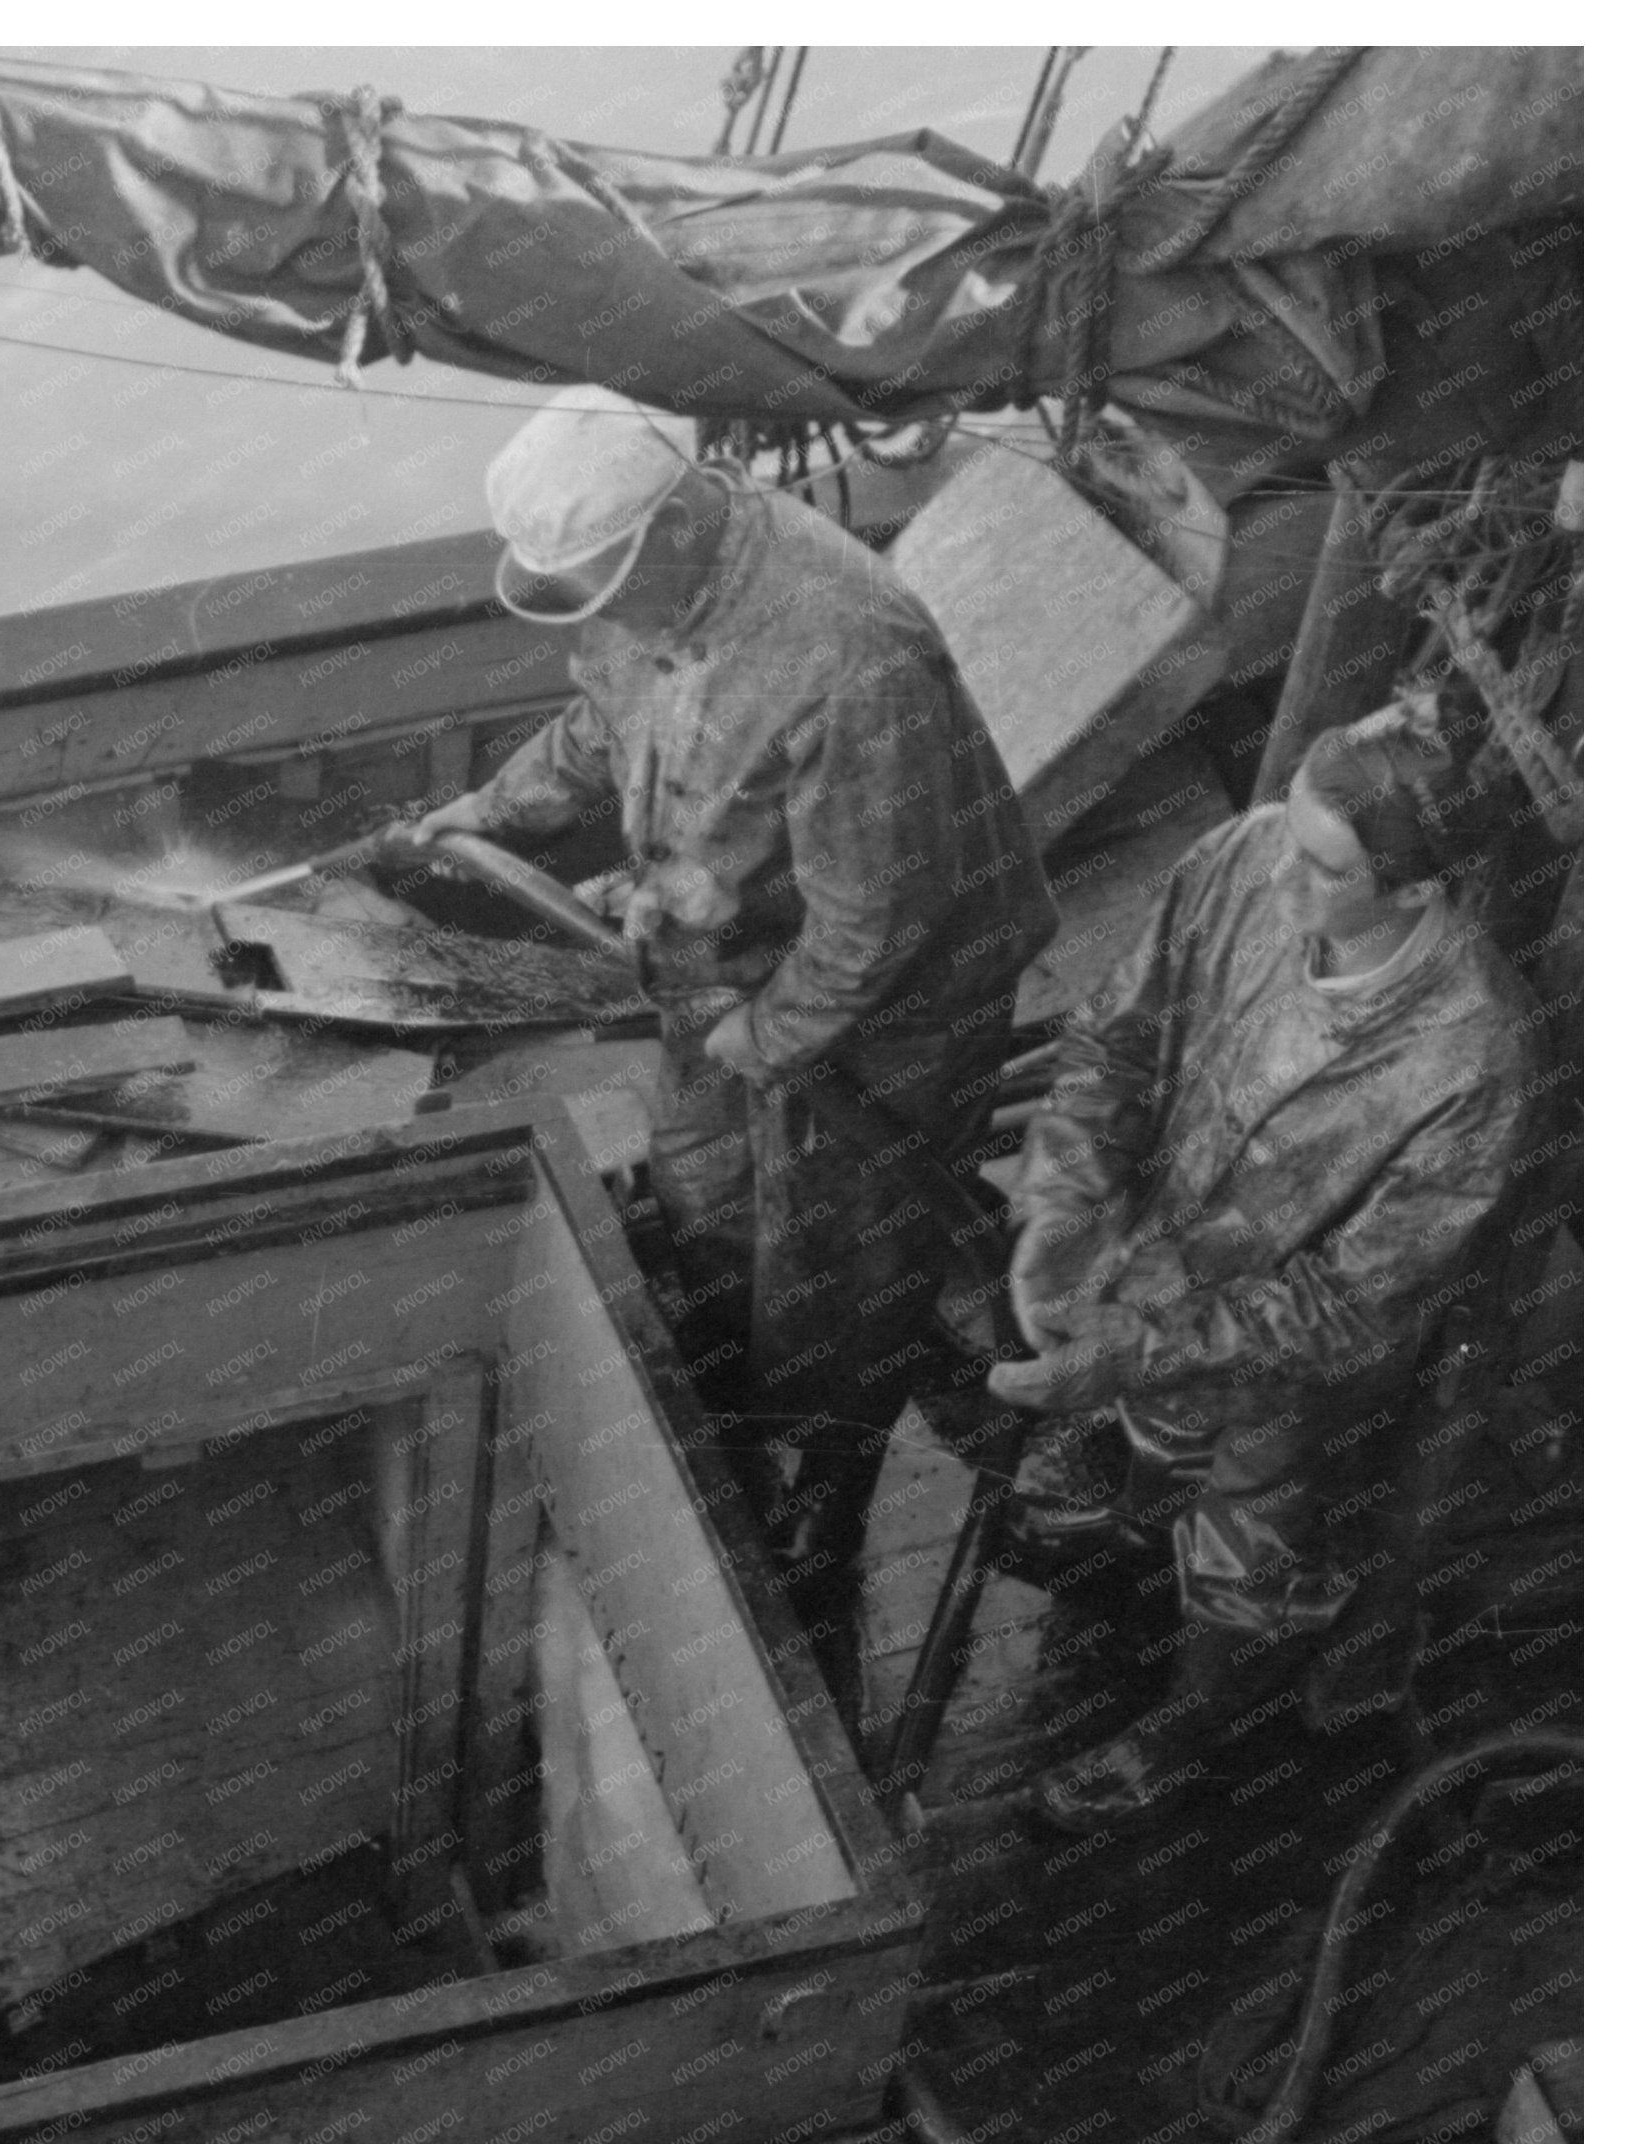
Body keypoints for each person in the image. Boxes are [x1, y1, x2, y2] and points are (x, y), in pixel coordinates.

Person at [403, 390, 1056, 1730]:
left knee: (847, 1254)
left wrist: (774, 1035)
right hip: (720, 964)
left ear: (675, 528)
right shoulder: (644, 603)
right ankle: (757, 1371)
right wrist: (486, 825)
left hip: (889, 1008)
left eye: (603, 584)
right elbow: (600, 736)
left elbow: (879, 919)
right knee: (714, 1203)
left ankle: (836, 1473)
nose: (596, 614)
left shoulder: (847, 648)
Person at [986, 701, 1540, 1833]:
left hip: (1290, 1370)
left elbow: (1342, 1310)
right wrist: (1060, 1196)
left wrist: (1142, 1346)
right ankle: (1137, 1515)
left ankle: (1193, 1725)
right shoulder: (1243, 859)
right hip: (1149, 1257)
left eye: (1323, 869)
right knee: (1144, 1447)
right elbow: (1115, 1040)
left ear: (1416, 892)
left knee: (1249, 1553)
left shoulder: (1473, 1059)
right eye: (1285, 833)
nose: (1275, 878)